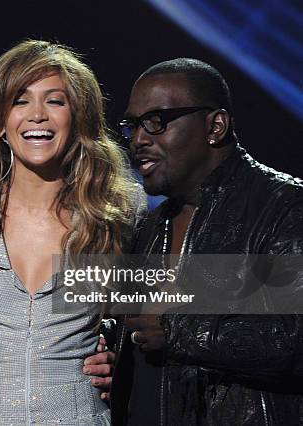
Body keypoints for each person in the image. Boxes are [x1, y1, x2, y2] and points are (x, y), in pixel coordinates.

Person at [0, 40, 142, 424]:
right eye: (20, 100)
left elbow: (163, 321)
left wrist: (127, 363)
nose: (38, 115)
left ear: (78, 116)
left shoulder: (116, 214)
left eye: (55, 101)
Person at [108, 58, 303, 425]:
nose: (138, 140)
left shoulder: (285, 207)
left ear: (215, 126)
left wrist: (179, 328)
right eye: (132, 125)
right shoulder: (149, 226)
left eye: (156, 121)